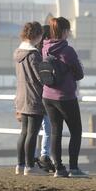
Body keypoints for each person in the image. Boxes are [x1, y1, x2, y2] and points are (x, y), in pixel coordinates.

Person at [42, 17, 87, 178]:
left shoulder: (45, 47)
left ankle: (59, 168)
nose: (70, 33)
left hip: (47, 95)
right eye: (69, 30)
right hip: (65, 97)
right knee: (76, 131)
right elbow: (79, 74)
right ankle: (74, 168)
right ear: (64, 31)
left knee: (55, 132)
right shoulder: (67, 51)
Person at [14, 22, 46, 176]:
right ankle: (29, 166)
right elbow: (41, 78)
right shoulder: (34, 54)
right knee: (32, 133)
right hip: (34, 97)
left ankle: (20, 165)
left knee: (24, 132)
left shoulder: (19, 53)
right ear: (37, 36)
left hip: (21, 97)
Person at [34, 25, 54, 173]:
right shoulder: (47, 52)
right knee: (48, 129)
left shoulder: (34, 52)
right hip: (45, 96)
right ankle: (44, 156)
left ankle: (31, 157)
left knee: (32, 130)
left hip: (33, 97)